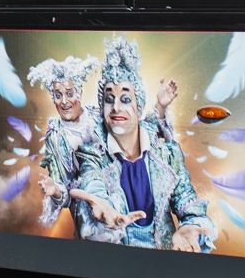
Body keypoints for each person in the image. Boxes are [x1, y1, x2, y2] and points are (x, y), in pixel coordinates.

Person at [76, 37, 215, 251]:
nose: (116, 108)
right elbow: (92, 183)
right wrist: (104, 211)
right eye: (108, 99)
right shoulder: (93, 154)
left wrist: (192, 227)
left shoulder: (167, 154)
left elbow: (189, 204)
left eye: (125, 99)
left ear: (139, 106)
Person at [29, 54, 175, 232]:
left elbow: (138, 129)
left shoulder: (99, 116)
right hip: (90, 211)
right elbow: (65, 189)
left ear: (80, 92)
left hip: (119, 197)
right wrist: (58, 191)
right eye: (58, 95)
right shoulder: (56, 137)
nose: (64, 101)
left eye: (69, 93)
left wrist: (160, 107)